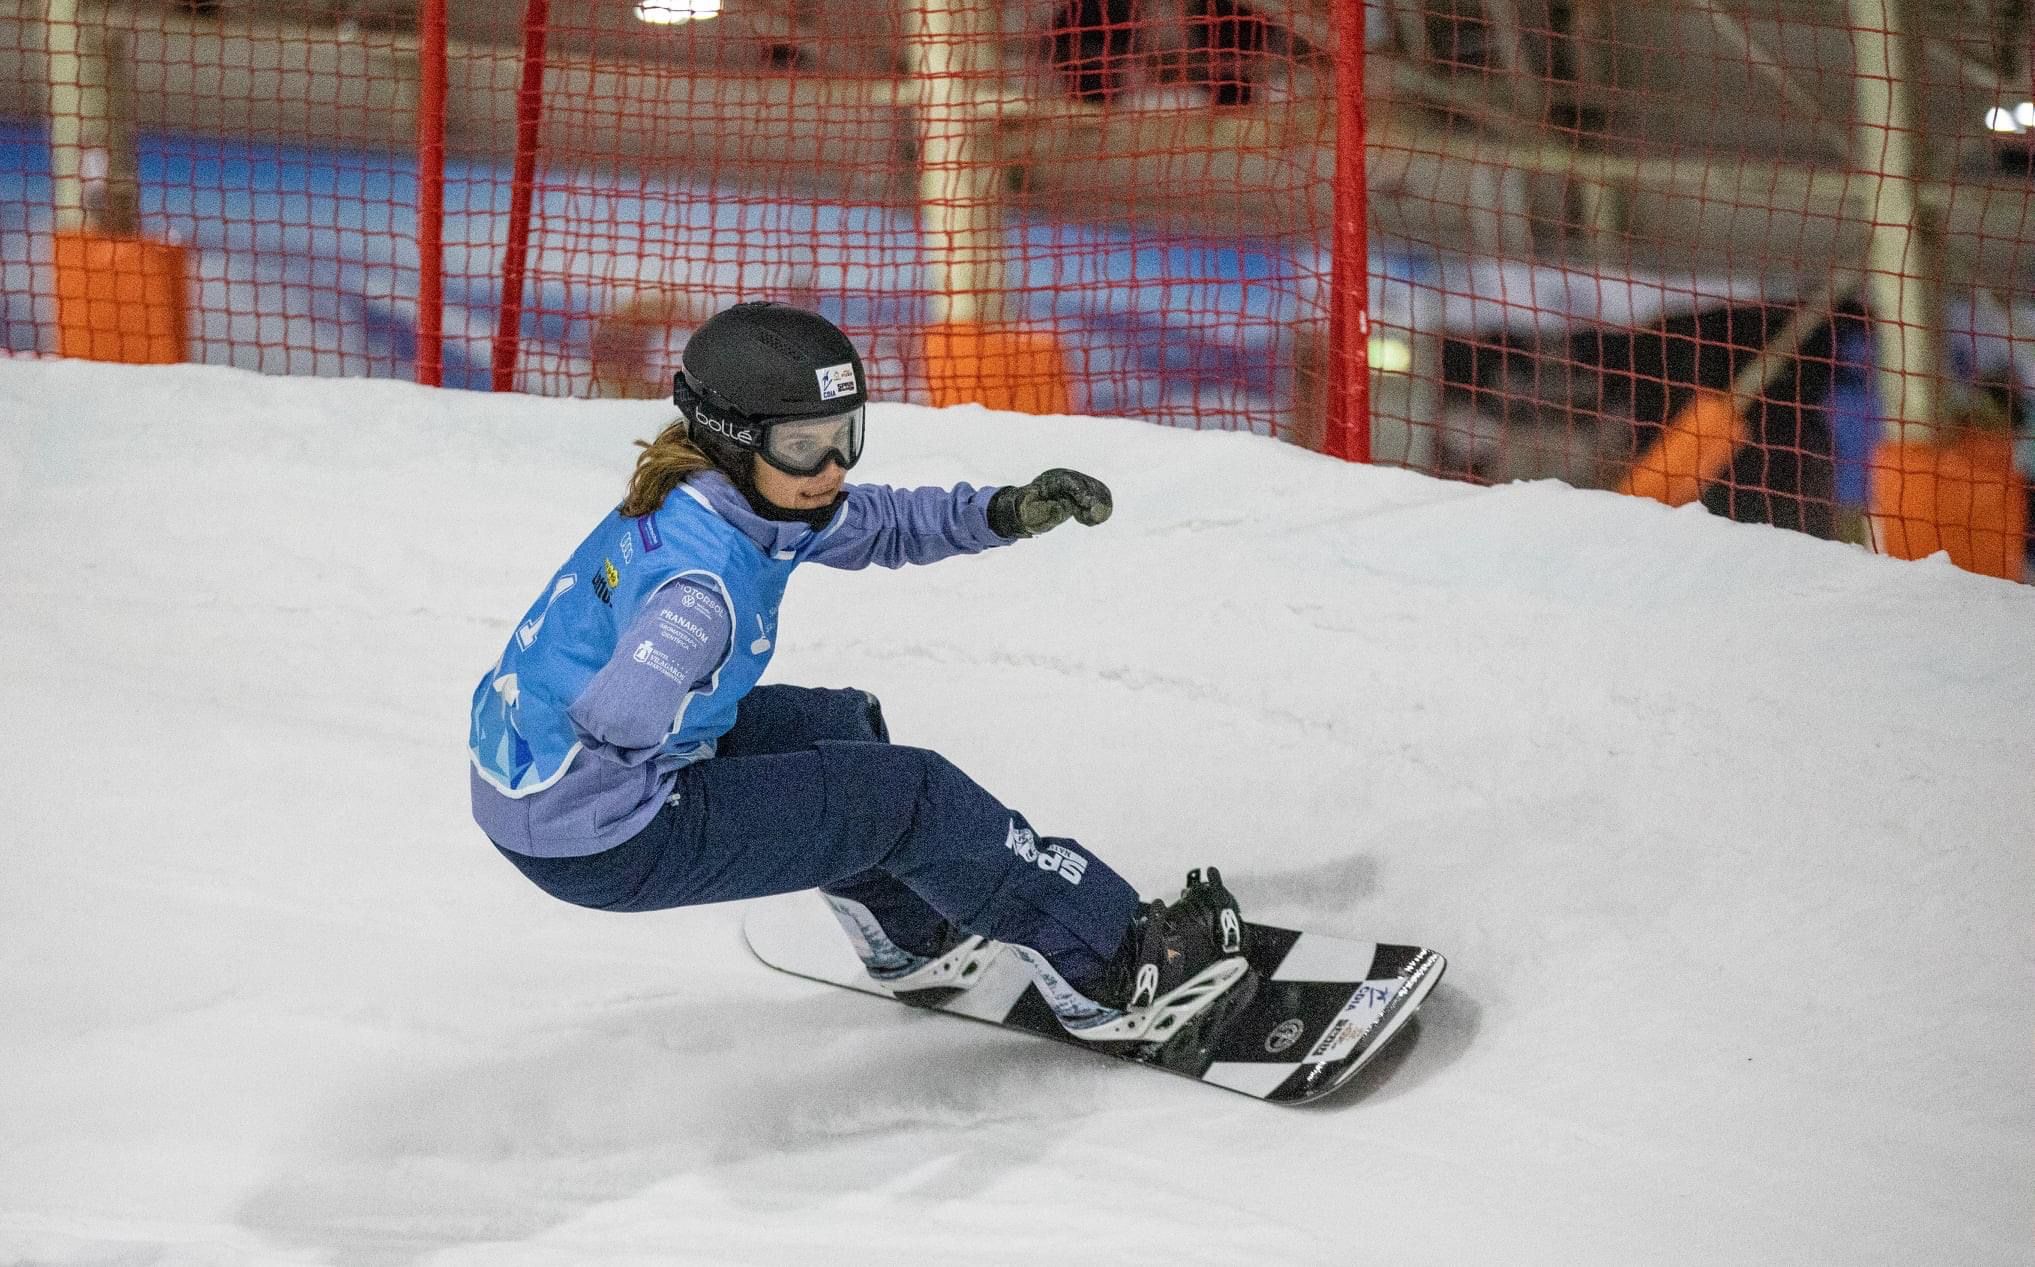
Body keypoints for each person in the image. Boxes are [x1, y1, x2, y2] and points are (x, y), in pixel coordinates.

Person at [469, 301, 1253, 1046]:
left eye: (847, 434)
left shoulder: (732, 497)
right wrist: (651, 755)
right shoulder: (700, 593)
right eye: (805, 446)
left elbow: (878, 524)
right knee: (910, 796)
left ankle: (912, 939)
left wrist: (1006, 511)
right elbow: (625, 712)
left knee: (838, 729)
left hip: (545, 797)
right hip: (604, 831)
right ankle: (1115, 968)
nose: (833, 465)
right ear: (735, 437)